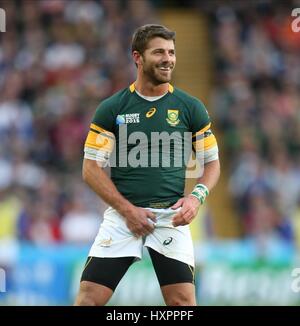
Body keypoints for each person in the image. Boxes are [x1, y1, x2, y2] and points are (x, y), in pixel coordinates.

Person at [75, 24, 220, 306]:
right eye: (159, 52)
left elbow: (212, 163)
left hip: (170, 216)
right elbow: (90, 168)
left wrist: (196, 198)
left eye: (171, 52)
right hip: (122, 217)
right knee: (88, 300)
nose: (168, 59)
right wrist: (128, 211)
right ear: (138, 57)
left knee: (182, 304)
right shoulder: (113, 108)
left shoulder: (191, 108)